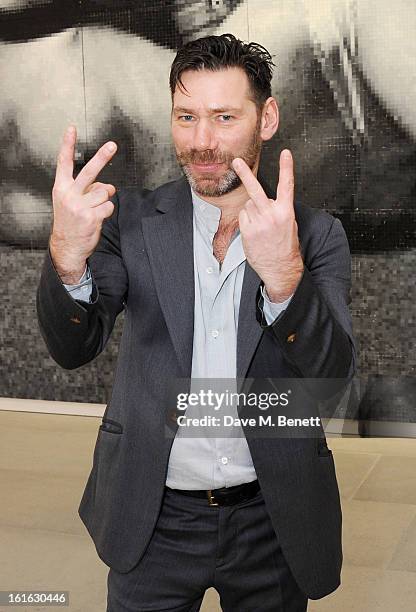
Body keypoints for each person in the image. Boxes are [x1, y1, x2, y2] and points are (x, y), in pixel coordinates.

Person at [36, 33, 356, 611]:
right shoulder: (129, 222)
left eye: (224, 117)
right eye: (186, 117)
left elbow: (331, 379)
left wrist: (286, 278)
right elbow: (72, 346)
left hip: (272, 518)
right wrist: (66, 256)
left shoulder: (316, 235)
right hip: (152, 517)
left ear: (267, 119)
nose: (202, 142)